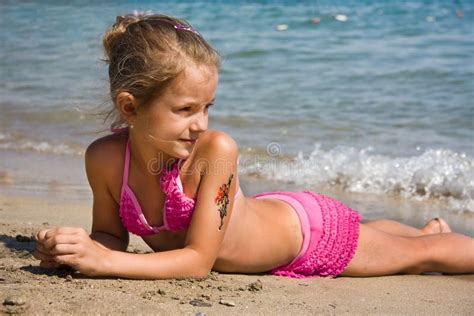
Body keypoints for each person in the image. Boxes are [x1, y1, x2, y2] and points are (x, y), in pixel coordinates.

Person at [33, 13, 474, 279]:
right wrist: (76, 249)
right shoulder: (105, 159)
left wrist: (104, 263)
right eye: (185, 109)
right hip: (268, 215)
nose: (200, 124)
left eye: (207, 107)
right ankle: (425, 227)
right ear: (130, 107)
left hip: (309, 237)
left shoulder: (216, 149)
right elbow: (110, 236)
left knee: (420, 257)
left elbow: (197, 262)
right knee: (386, 237)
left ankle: (429, 238)